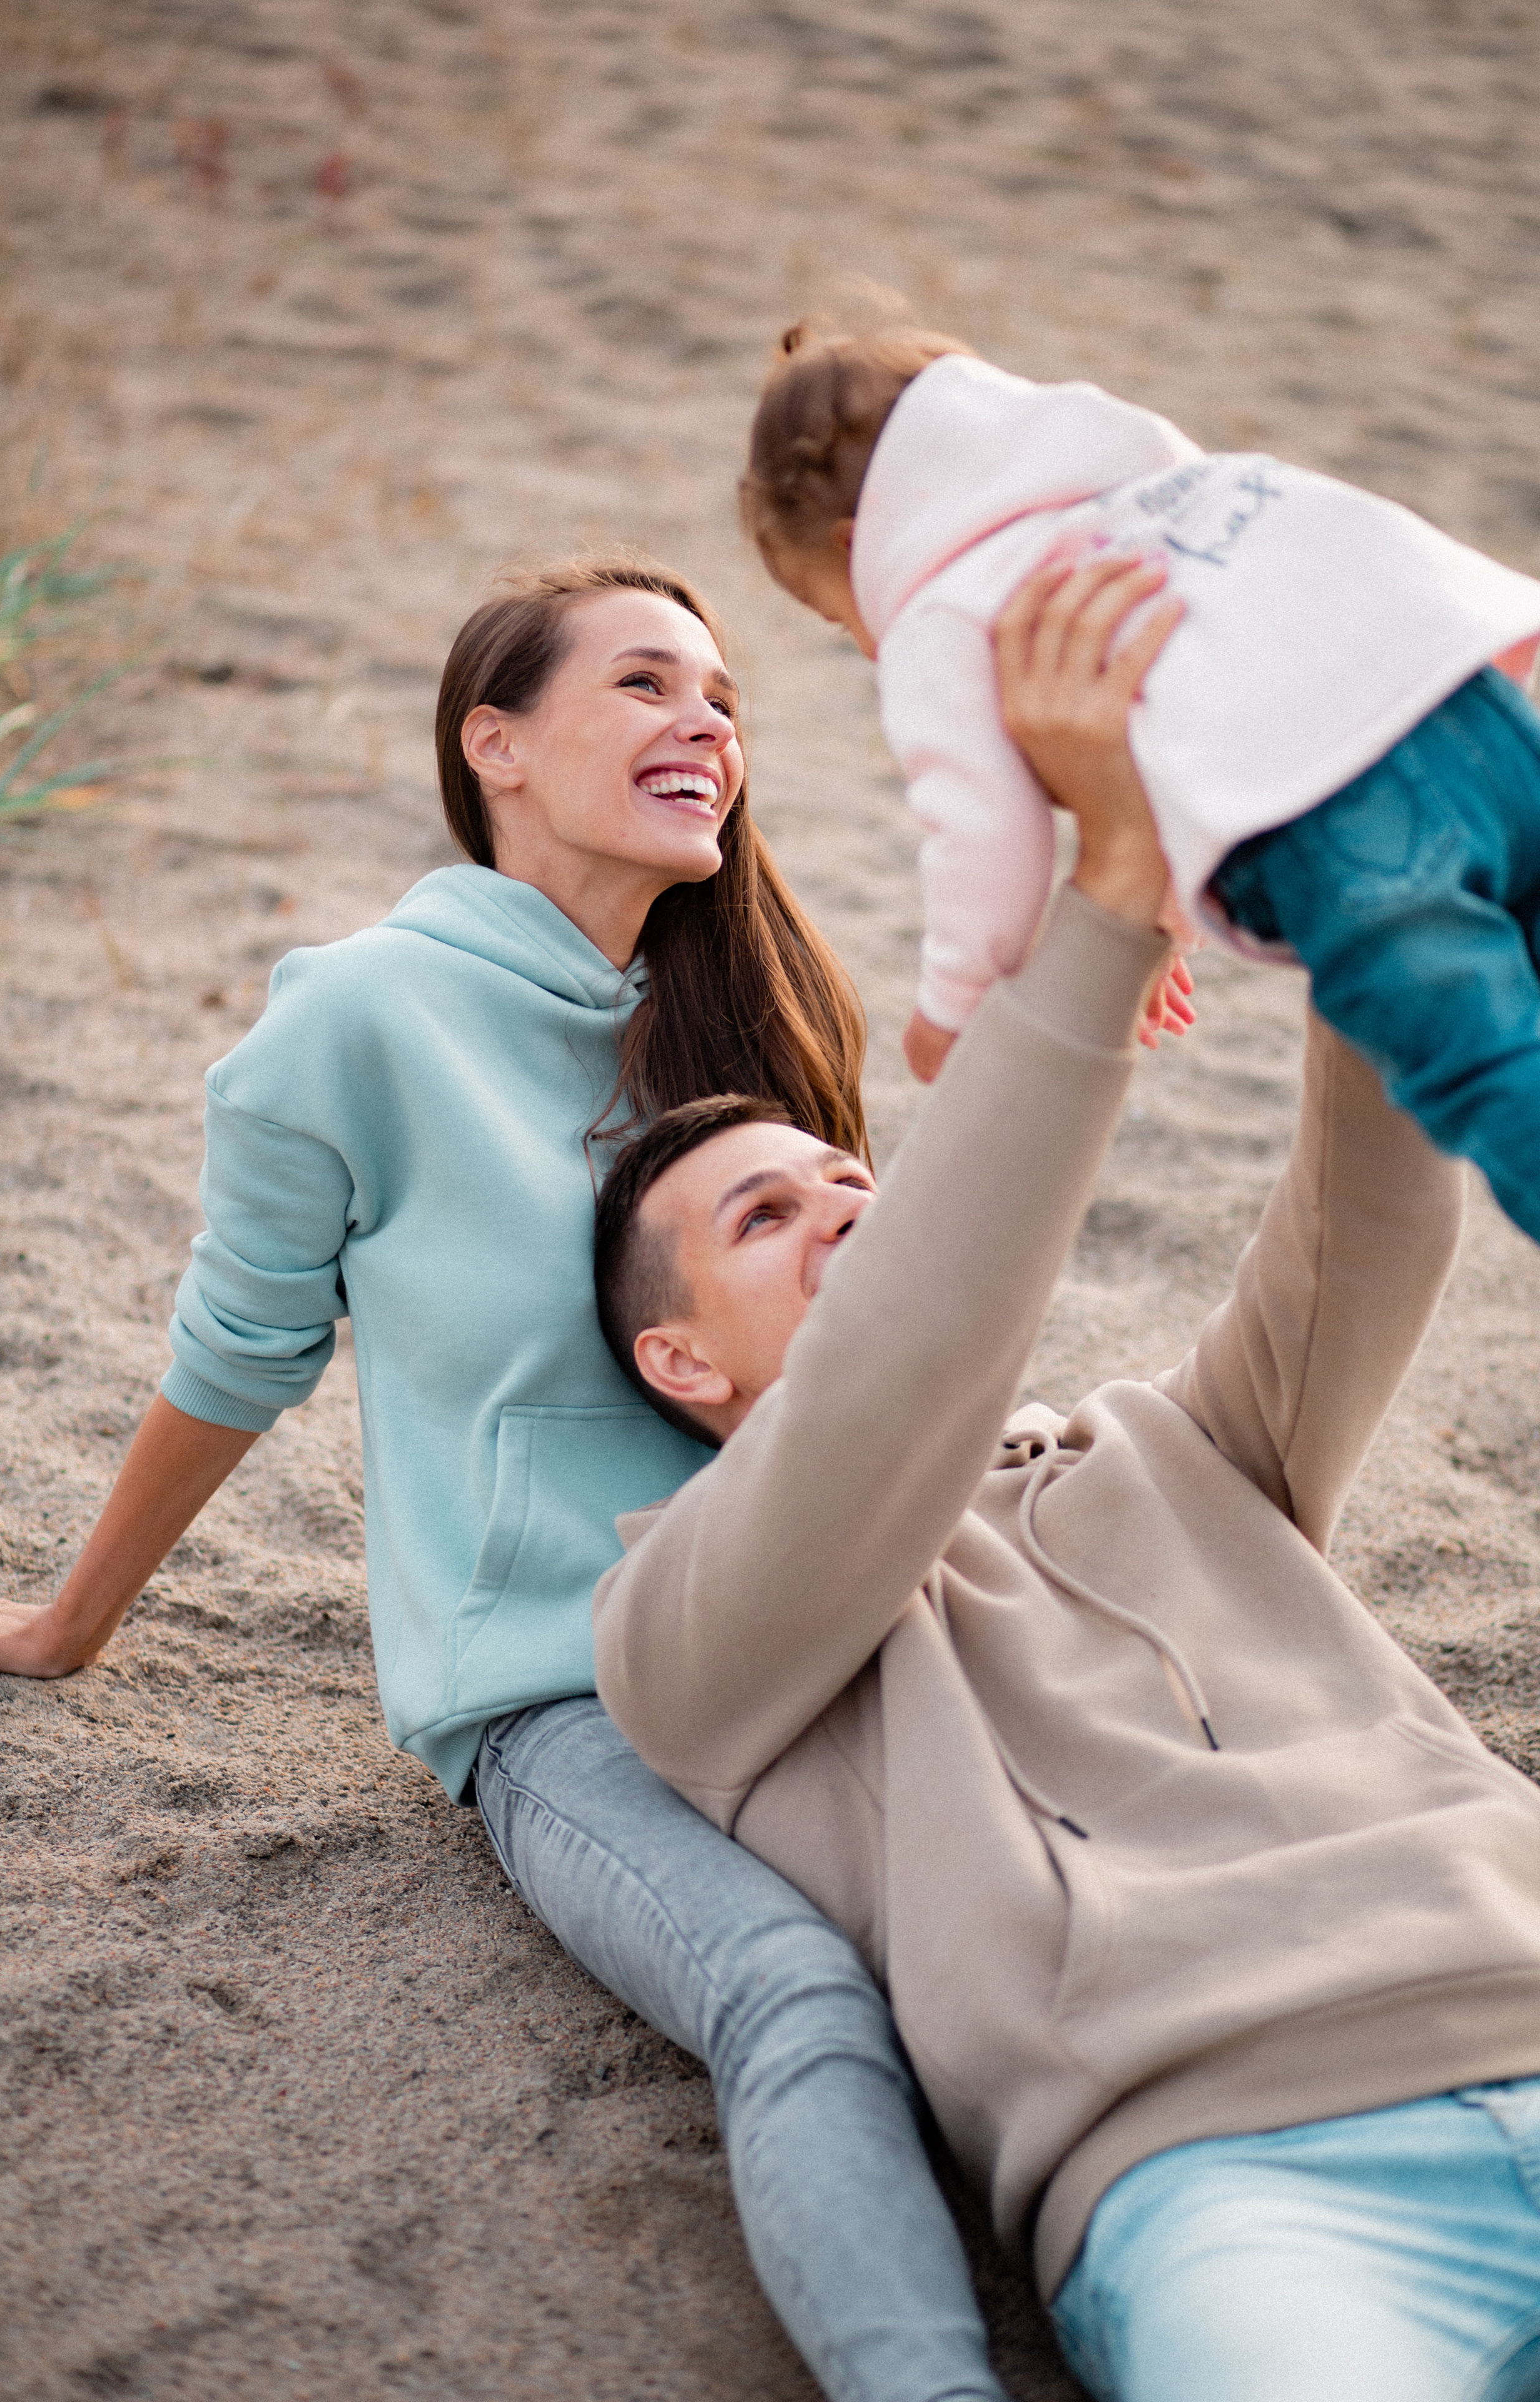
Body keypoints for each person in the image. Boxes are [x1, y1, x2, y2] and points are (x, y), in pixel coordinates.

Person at [0, 557, 1025, 2402]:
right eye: (648, 685)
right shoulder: (354, 1023)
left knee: (1043, 1965)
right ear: (494, 743)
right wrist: (68, 1622)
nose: (707, 723)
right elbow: (237, 1362)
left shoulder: (755, 1016)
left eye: (727, 698)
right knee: (798, 2001)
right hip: (559, 1686)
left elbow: (854, 1367)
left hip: (825, 1616)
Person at [590, 563, 1540, 2402]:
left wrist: (1354, 858)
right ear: (680, 1360)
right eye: (765, 1218)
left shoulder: (1170, 1444)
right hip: (1244, 2178)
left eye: (857, 1188)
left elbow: (1369, 1212)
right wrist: (1100, 901)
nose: (847, 1218)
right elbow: (914, 1351)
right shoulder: (679, 1640)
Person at [738, 321, 1540, 1250]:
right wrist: (1164, 917)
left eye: (841, 620)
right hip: (1472, 705)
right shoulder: (1147, 488)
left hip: (1345, 821)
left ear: (853, 548)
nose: (872, 636)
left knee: (1486, 1063)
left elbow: (984, 836)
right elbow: (1210, 682)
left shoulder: (938, 605)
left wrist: (951, 1009)